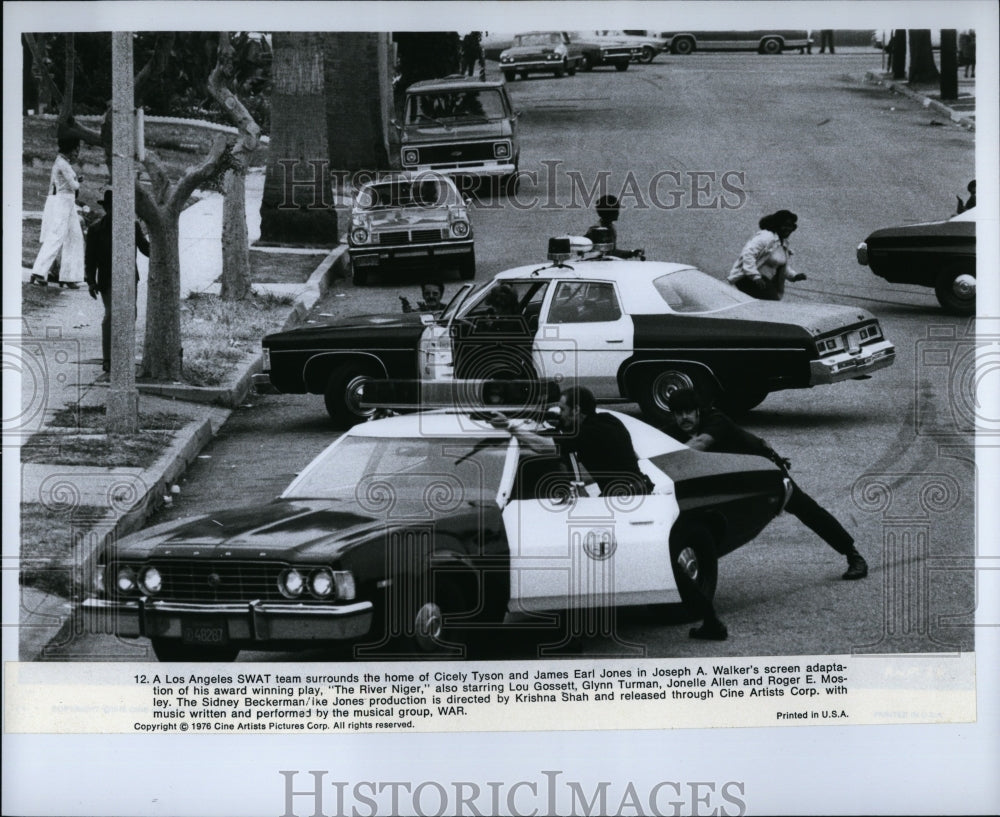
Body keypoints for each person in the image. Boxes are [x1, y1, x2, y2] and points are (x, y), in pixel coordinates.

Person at [666, 388, 869, 583]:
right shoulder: (673, 431)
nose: (684, 418)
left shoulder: (716, 420)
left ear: (698, 411)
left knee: (806, 509)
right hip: (733, 479)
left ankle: (854, 556)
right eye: (678, 413)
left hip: (764, 471)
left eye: (688, 412)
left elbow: (699, 445)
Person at [84, 189, 150, 373]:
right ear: (107, 209)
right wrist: (90, 281)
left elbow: (145, 249)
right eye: (111, 208)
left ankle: (124, 355)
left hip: (129, 278)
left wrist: (160, 247)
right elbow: (90, 258)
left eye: (119, 208)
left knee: (130, 314)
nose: (115, 211)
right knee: (111, 315)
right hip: (107, 279)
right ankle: (108, 359)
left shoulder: (132, 226)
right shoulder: (96, 229)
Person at [30, 136, 86, 288]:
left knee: (75, 237)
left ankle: (69, 276)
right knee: (56, 236)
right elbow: (74, 186)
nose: (77, 153)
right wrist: (77, 181)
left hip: (67, 202)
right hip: (62, 202)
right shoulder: (62, 163)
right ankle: (39, 271)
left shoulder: (62, 162)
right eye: (76, 150)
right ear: (70, 149)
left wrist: (75, 180)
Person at [727, 209, 806, 300]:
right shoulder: (766, 237)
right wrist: (755, 276)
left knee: (769, 305)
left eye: (791, 226)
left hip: (763, 281)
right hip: (748, 278)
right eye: (784, 225)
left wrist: (794, 276)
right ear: (777, 225)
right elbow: (748, 254)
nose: (788, 229)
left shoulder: (783, 244)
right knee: (772, 302)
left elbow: (781, 266)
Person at [583, 195, 642, 259]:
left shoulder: (610, 228)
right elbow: (609, 254)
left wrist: (631, 253)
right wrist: (631, 253)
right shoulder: (598, 230)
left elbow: (611, 252)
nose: (618, 212)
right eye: (615, 210)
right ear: (608, 212)